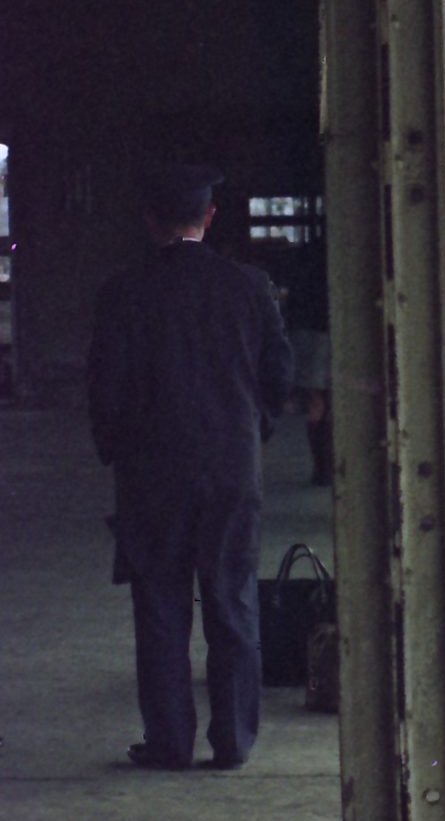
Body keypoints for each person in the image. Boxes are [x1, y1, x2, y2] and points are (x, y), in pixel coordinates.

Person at [86, 164, 292, 771]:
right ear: (210, 217)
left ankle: (170, 742)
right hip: (231, 469)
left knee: (160, 607)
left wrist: (116, 449)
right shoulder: (249, 287)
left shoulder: (124, 291)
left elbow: (105, 388)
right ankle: (233, 741)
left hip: (151, 475)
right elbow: (278, 373)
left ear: (149, 219)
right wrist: (252, 430)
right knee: (232, 601)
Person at [278, 233, 331, 487]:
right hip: (333, 330)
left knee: (316, 404)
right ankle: (332, 465)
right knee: (333, 402)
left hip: (308, 333)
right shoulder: (344, 253)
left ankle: (322, 469)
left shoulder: (307, 255)